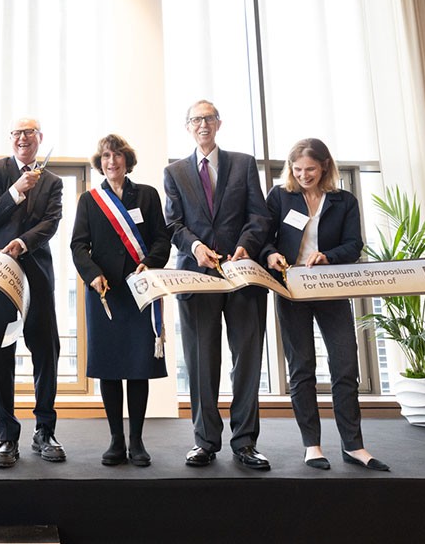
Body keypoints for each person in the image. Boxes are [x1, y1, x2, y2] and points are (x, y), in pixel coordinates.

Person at [261, 138, 388, 472]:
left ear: (325, 167)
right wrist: (270, 254)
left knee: (345, 365)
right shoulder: (280, 197)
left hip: (331, 289)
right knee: (301, 368)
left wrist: (329, 256)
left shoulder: (343, 200)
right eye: (298, 169)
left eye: (311, 169)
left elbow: (354, 245)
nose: (304, 175)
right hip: (292, 291)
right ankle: (312, 445)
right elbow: (264, 238)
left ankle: (354, 445)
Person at [163, 100, 272, 469]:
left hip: (243, 275)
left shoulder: (242, 163)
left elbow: (259, 213)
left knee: (247, 359)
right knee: (200, 362)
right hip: (197, 276)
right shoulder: (175, 171)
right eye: (196, 119)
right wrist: (195, 247)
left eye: (208, 118)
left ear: (219, 123)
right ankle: (205, 441)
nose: (203, 124)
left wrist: (247, 246)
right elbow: (173, 224)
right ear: (188, 126)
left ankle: (245, 442)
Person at [70, 134, 171, 467]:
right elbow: (78, 245)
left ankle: (137, 441)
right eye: (105, 157)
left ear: (127, 160)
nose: (111, 162)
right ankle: (115, 440)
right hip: (106, 294)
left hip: (139, 290)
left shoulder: (147, 195)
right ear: (99, 162)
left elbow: (162, 239)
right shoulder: (90, 200)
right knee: (110, 369)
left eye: (116, 156)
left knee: (138, 367)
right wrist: (92, 273)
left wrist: (150, 262)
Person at [0, 116, 65, 468]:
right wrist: (17, 190)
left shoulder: (54, 181)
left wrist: (23, 243)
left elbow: (51, 223)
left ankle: (44, 429)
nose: (23, 138)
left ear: (40, 138)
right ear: (10, 138)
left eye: (29, 132)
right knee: (2, 354)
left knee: (46, 351)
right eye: (16, 133)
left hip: (37, 275)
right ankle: (6, 435)